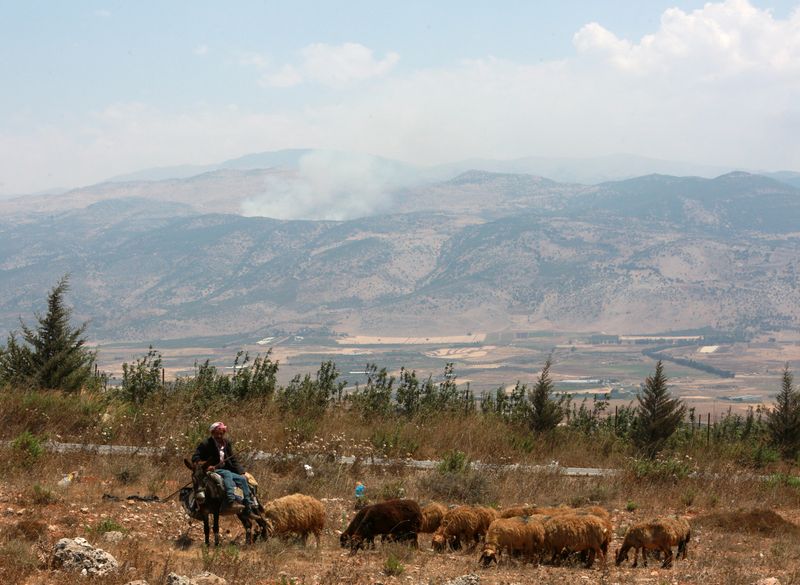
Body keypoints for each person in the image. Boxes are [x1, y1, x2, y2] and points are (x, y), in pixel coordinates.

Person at [192, 421, 256, 513]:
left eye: (221, 434)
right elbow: (195, 458)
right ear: (213, 433)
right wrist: (206, 466)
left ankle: (248, 503)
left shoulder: (226, 443)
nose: (219, 436)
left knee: (242, 479)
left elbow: (232, 459)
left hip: (226, 469)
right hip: (213, 469)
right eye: (217, 434)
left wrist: (242, 472)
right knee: (227, 474)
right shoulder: (206, 444)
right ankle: (231, 500)